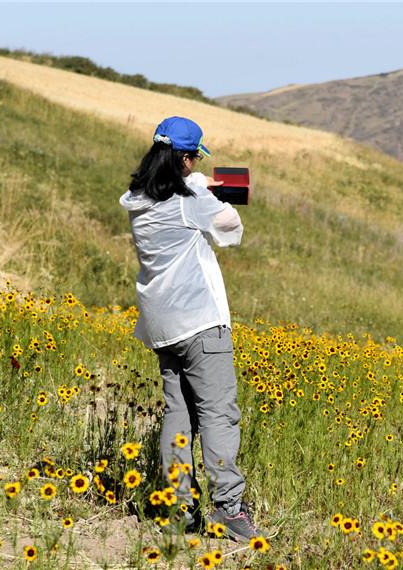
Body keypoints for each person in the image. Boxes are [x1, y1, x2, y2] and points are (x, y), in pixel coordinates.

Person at [119, 116, 263, 542]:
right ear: (184, 158)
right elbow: (230, 231)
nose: (197, 162)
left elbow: (178, 196)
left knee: (178, 414)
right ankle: (228, 509)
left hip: (164, 326)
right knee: (219, 414)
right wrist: (210, 192)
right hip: (202, 324)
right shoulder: (189, 201)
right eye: (195, 156)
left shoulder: (137, 199)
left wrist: (196, 183)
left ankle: (180, 506)